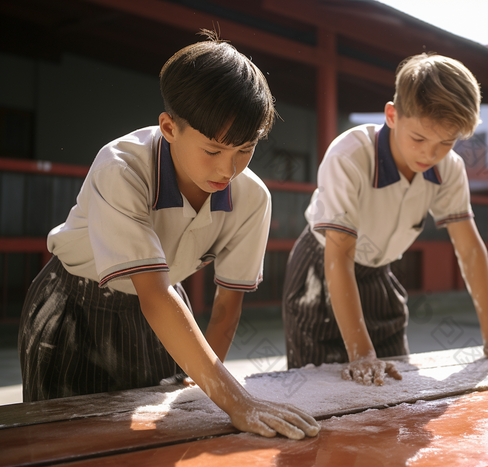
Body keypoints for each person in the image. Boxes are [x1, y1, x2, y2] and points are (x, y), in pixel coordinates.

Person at [18, 31, 319, 440]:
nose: (228, 170)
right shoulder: (121, 168)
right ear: (169, 127)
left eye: (245, 149)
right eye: (213, 150)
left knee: (160, 438)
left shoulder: (253, 198)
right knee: (68, 444)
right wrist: (238, 402)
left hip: (166, 315)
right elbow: (153, 295)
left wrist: (212, 391)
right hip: (76, 307)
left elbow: (227, 305)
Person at [282, 53, 488, 385]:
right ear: (392, 115)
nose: (429, 154)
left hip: (379, 272)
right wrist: (361, 353)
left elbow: (469, 248)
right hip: (321, 269)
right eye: (419, 139)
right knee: (321, 390)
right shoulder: (348, 156)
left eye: (446, 143)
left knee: (397, 388)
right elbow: (339, 255)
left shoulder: (448, 167)